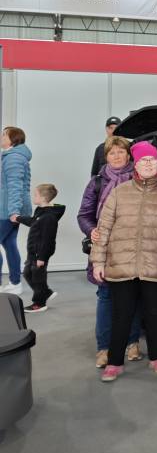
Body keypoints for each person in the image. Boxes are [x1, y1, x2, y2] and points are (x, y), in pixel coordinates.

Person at [92, 141, 157, 382]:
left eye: (152, 160)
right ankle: (115, 361)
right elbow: (104, 228)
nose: (148, 164)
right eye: (143, 160)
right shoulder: (119, 192)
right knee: (122, 314)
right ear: (135, 164)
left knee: (155, 312)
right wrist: (98, 261)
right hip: (122, 262)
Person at [77, 135, 140, 368]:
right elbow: (84, 214)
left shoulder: (138, 178)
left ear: (128, 154)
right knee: (105, 297)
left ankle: (132, 343)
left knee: (132, 296)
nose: (116, 156)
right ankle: (103, 348)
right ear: (106, 156)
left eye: (120, 152)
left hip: (133, 245)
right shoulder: (97, 182)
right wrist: (91, 230)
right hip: (106, 246)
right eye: (112, 152)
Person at [14, 184, 64, 314]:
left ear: (43, 198)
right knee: (27, 273)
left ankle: (39, 303)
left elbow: (48, 239)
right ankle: (45, 292)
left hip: (40, 253)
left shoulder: (49, 217)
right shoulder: (40, 211)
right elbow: (32, 221)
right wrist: (18, 218)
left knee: (38, 277)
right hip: (33, 251)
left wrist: (42, 257)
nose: (33, 197)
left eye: (35, 194)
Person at [0, 126, 32, 294]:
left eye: (4, 134)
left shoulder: (13, 158)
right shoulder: (12, 156)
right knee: (9, 243)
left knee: (9, 244)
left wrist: (14, 212)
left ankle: (13, 282)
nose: (1, 136)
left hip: (8, 211)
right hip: (7, 208)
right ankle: (15, 283)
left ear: (13, 139)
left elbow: (15, 187)